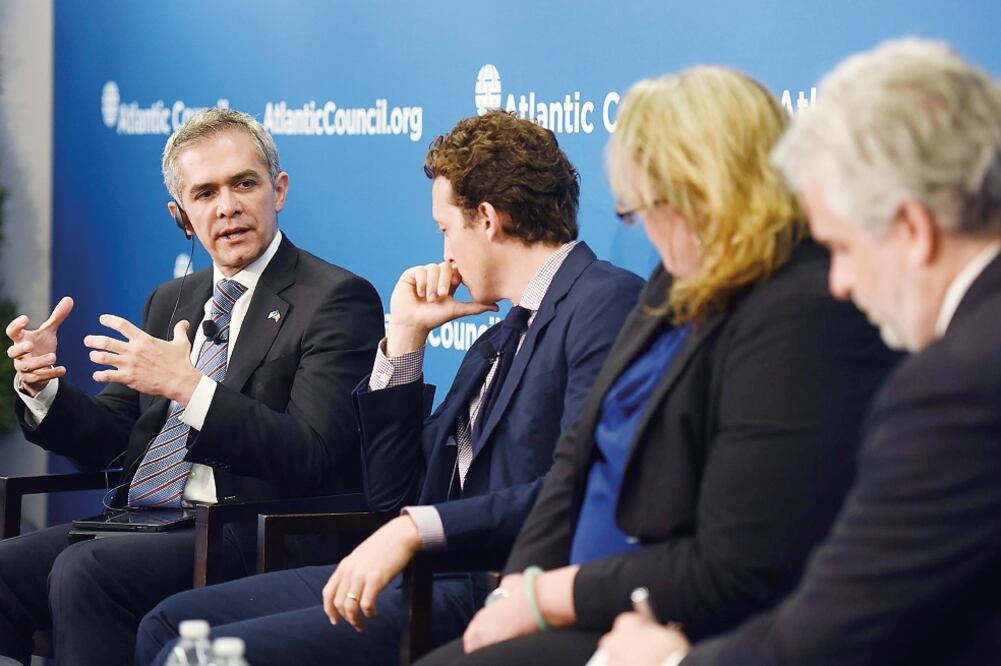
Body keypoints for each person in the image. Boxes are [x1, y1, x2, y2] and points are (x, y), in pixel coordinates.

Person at [415, 66, 901, 666]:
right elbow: (574, 463)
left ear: (706, 189)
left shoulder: (801, 313)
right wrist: (516, 587)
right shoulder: (677, 275)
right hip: (577, 598)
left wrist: (545, 599)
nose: (645, 227)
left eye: (650, 204)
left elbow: (735, 566)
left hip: (669, 622)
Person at [135, 110, 644, 665]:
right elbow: (390, 495)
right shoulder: (499, 337)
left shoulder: (602, 303)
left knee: (203, 656)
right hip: (425, 574)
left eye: (445, 228)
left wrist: (416, 530)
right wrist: (404, 342)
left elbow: (576, 487)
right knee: (170, 624)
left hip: (487, 584)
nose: (444, 250)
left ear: (488, 221)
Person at [596, 38, 1001, 666]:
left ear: (914, 230)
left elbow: (832, 636)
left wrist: (665, 662)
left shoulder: (957, 388)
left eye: (839, 247)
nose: (838, 282)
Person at [0, 107, 385, 666]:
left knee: (84, 572)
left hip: (251, 532)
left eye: (244, 184)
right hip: (146, 523)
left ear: (278, 190)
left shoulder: (335, 300)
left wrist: (192, 390)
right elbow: (115, 434)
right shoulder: (172, 298)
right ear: (183, 216)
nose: (227, 206)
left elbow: (312, 455)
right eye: (205, 194)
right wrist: (42, 390)